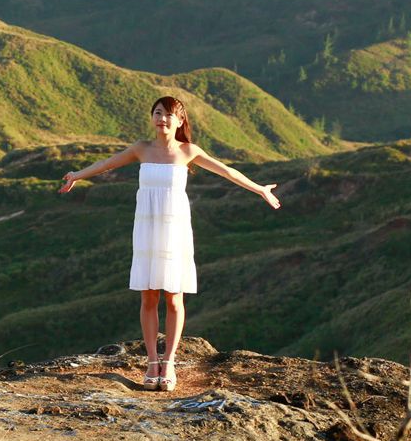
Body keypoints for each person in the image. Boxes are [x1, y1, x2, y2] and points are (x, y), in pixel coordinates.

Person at [57, 96, 282, 391]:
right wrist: (77, 175)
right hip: (147, 227)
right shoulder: (142, 149)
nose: (162, 119)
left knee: (174, 296)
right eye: (158, 113)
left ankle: (170, 362)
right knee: (149, 296)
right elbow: (106, 164)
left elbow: (228, 172)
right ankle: (152, 363)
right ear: (152, 118)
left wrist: (260, 189)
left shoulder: (188, 151)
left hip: (175, 230)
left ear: (180, 121)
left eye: (168, 115)